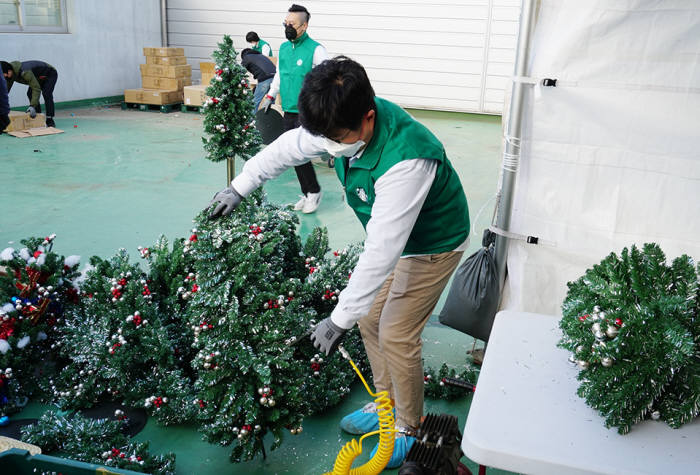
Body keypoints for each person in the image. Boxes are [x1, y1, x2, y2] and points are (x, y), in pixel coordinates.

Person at [208, 56, 471, 468]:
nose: (328, 149)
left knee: (397, 331)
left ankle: (407, 424)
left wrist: (337, 320)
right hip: (395, 241)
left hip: (434, 243)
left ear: (368, 118)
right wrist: (239, 187)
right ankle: (385, 406)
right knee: (369, 319)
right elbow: (285, 149)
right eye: (323, 138)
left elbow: (382, 252)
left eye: (336, 140)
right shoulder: (337, 122)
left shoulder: (407, 158)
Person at [258, 4, 327, 214]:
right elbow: (280, 74)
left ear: (304, 26)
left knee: (301, 153)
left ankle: (314, 191)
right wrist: (269, 95)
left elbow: (328, 80)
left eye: (292, 24)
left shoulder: (316, 50)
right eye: (285, 23)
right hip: (288, 108)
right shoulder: (285, 48)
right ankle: (307, 193)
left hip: (307, 112)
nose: (288, 27)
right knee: (292, 154)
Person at [1, 60, 58, 128]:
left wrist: (32, 106)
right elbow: (5, 91)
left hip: (49, 73)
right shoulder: (10, 75)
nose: (4, 77)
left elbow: (36, 88)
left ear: (9, 71)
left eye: (4, 75)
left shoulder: (25, 72)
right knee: (30, 93)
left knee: (46, 93)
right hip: (38, 77)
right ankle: (38, 117)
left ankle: (50, 119)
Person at [240, 48, 276, 114]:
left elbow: (239, 70)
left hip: (265, 79)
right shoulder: (260, 56)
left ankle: (251, 122)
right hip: (275, 79)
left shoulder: (247, 57)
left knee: (254, 102)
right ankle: (269, 120)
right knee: (270, 102)